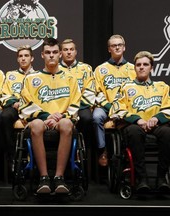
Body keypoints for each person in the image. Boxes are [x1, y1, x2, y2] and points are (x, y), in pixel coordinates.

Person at [19, 38, 81, 194]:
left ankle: (59, 177)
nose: (51, 56)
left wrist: (59, 117)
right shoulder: (31, 79)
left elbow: (75, 105)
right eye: (48, 53)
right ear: (42, 55)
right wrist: (47, 116)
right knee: (37, 124)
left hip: (62, 120)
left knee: (67, 124)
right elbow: (25, 106)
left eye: (54, 52)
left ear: (60, 54)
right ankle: (44, 177)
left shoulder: (71, 79)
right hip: (40, 121)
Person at [109, 51, 170, 192]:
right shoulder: (125, 87)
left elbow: (168, 107)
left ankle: (162, 179)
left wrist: (156, 118)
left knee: (168, 132)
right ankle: (141, 179)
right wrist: (138, 120)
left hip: (156, 125)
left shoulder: (162, 87)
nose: (141, 67)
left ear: (151, 68)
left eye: (145, 64)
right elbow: (116, 110)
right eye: (138, 65)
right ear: (134, 68)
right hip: (134, 126)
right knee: (134, 131)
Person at [93, 34, 136, 166]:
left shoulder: (133, 68)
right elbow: (97, 93)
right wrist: (110, 107)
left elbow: (137, 93)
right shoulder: (101, 69)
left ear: (124, 48)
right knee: (96, 117)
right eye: (113, 45)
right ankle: (102, 150)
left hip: (126, 108)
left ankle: (128, 153)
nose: (117, 47)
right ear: (109, 49)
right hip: (106, 107)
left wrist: (123, 110)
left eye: (119, 45)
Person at [0, 45, 35, 160]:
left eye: (26, 56)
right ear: (17, 59)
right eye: (20, 56)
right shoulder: (10, 75)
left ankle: (32, 156)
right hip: (15, 106)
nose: (23, 58)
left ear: (32, 58)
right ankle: (12, 155)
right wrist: (14, 103)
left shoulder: (38, 75)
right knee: (4, 116)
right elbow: (4, 94)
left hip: (32, 108)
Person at [59, 38, 95, 150]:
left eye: (71, 49)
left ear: (76, 52)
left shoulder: (86, 68)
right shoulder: (55, 69)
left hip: (81, 105)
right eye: (65, 50)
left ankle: (85, 150)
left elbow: (90, 90)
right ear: (60, 53)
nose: (69, 52)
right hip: (62, 106)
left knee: (87, 118)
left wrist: (76, 106)